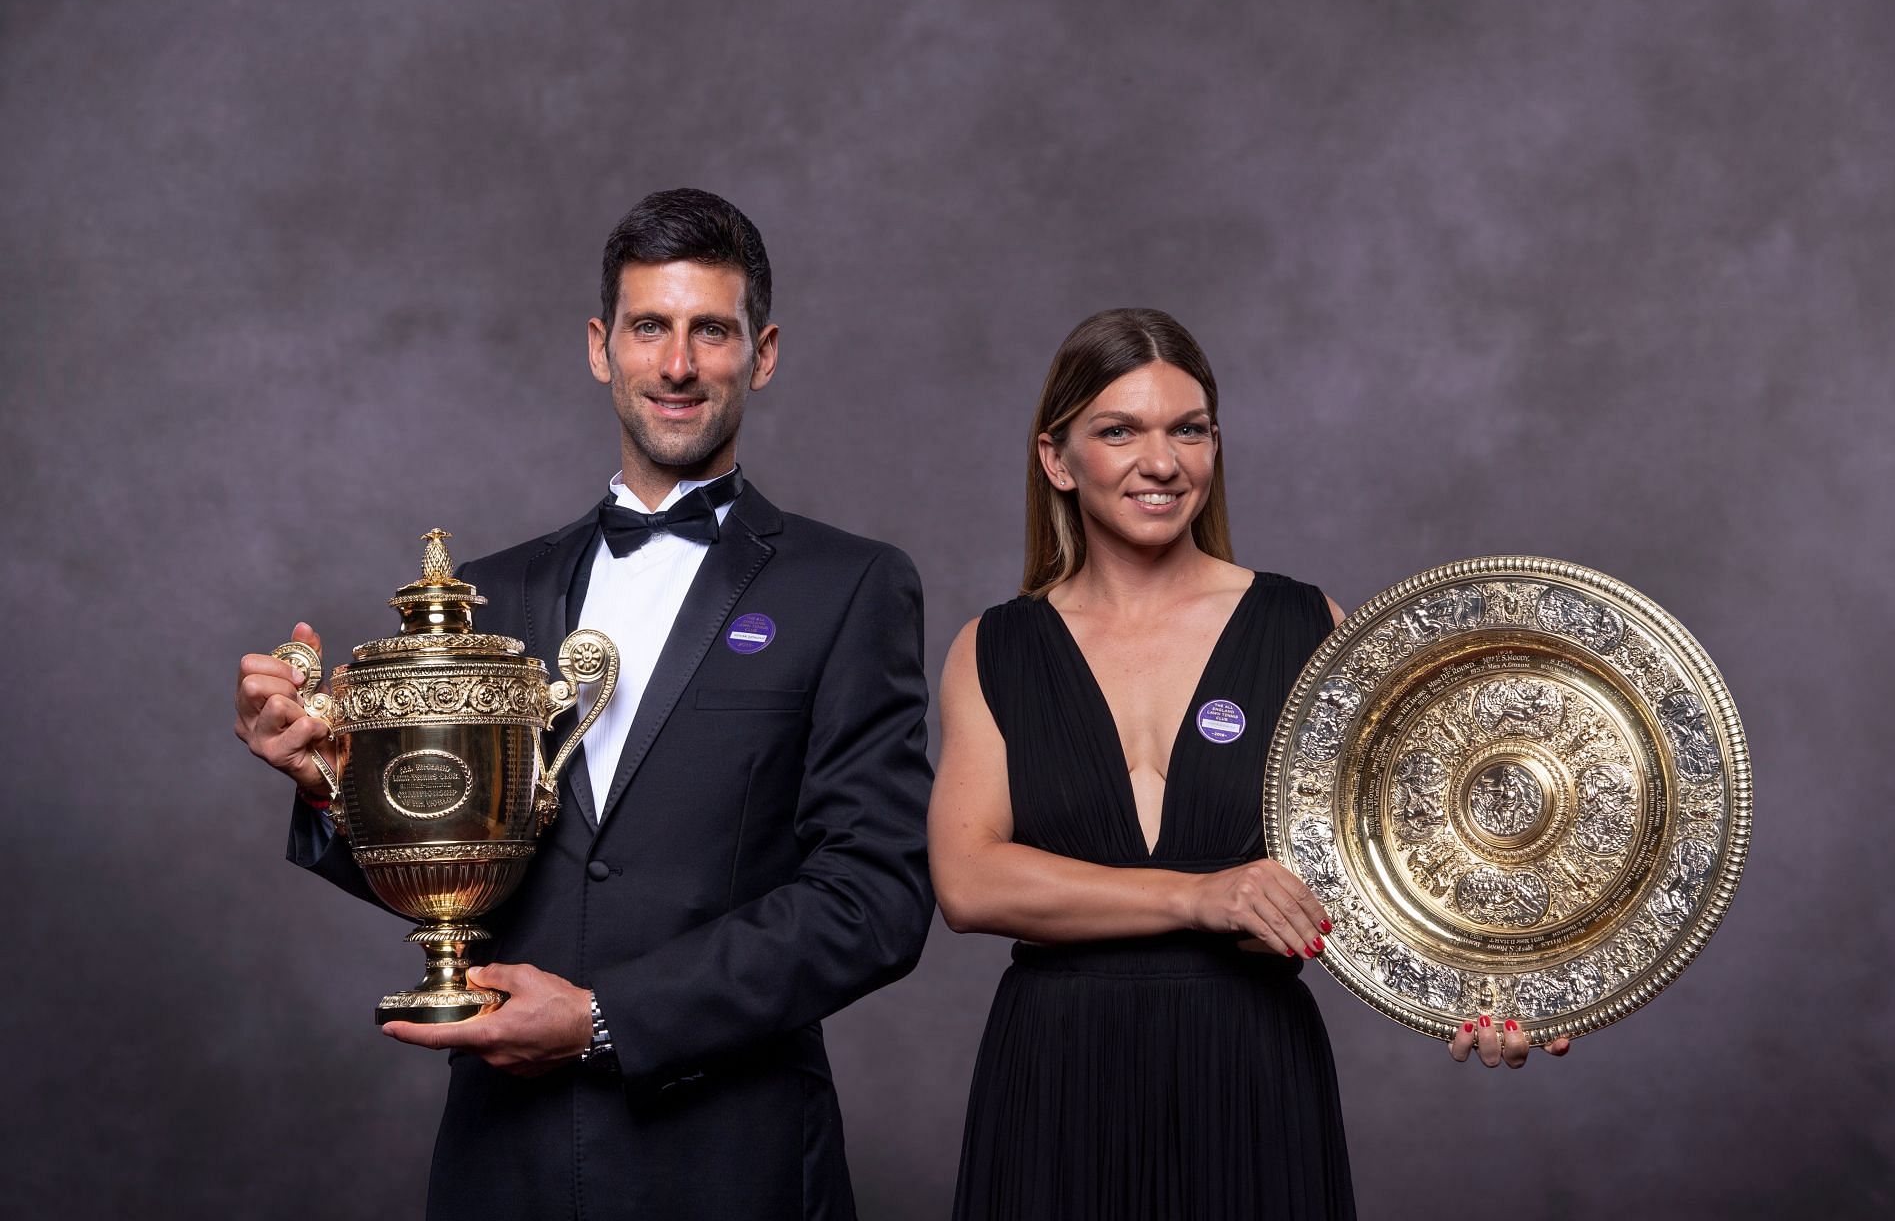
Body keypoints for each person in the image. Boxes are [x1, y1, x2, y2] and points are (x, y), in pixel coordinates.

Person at [233, 188, 935, 1220]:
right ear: (602, 346)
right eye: (650, 326)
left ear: (765, 350)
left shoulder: (851, 585)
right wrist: (331, 782)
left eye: (712, 330)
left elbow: (875, 897)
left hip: (735, 1164)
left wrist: (608, 1016)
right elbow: (451, 855)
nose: (679, 363)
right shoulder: (490, 595)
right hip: (505, 1163)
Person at [928, 308, 1568, 1221]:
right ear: (1057, 459)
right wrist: (1197, 895)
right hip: (1054, 1072)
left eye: (1188, 430)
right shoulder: (993, 647)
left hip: (1249, 1069)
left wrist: (1490, 985)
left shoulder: (1309, 629)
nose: (1163, 462)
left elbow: (1418, 854)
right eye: (1120, 431)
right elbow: (969, 881)